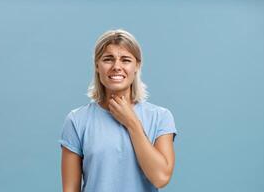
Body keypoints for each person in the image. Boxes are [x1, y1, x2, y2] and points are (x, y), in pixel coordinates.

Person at [59, 29, 178, 192]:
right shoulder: (77, 120)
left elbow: (161, 178)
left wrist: (131, 122)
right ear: (97, 65)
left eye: (125, 60)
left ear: (137, 66)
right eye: (108, 59)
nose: (116, 67)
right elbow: (70, 189)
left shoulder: (161, 117)